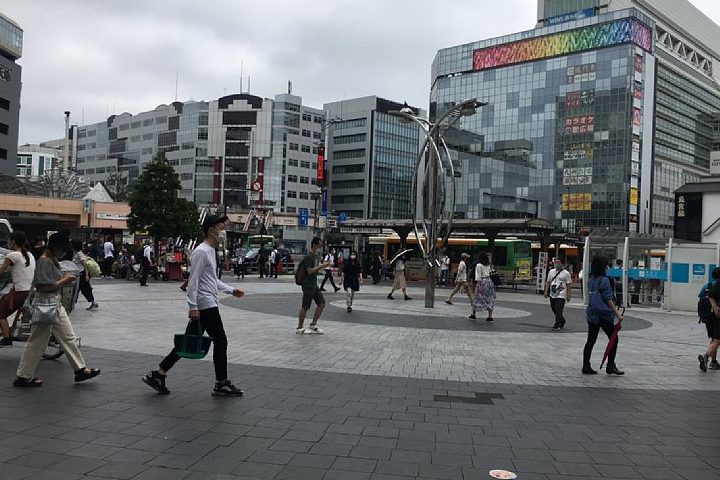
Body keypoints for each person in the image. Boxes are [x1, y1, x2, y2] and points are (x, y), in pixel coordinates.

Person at [142, 215, 245, 396]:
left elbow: (212, 280)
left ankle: (158, 374)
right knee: (220, 341)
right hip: (205, 304)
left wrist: (231, 290)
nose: (224, 232)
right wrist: (193, 306)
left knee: (190, 340)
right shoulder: (201, 252)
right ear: (211, 230)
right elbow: (193, 282)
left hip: (208, 302)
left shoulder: (211, 251)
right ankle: (221, 383)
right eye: (221, 227)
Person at [13, 232, 100, 387]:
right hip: (45, 304)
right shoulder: (45, 261)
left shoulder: (51, 260)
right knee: (38, 341)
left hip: (53, 304)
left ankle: (80, 369)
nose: (64, 252)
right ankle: (23, 375)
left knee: (67, 337)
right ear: (56, 247)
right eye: (62, 248)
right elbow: (42, 286)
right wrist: (63, 280)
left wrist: (62, 279)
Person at [582, 256, 625, 375]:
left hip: (592, 313)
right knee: (614, 339)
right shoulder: (604, 280)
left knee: (591, 340)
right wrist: (618, 314)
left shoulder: (591, 279)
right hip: (604, 315)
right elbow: (608, 298)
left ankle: (586, 365)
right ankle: (610, 365)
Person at [0, 232, 36, 346]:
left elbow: (1, 271)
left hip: (20, 292)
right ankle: (9, 331)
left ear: (13, 242)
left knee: (1, 314)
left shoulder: (12, 255)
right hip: (29, 291)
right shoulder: (30, 255)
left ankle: (6, 338)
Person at [297, 236, 330, 334]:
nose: (320, 247)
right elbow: (309, 271)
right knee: (305, 306)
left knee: (322, 303)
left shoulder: (315, 256)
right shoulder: (309, 256)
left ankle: (313, 324)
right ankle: (300, 327)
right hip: (308, 284)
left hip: (314, 284)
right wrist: (322, 266)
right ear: (314, 245)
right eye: (319, 245)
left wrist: (321, 266)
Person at [698, 267, 720, 372]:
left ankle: (713, 361)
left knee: (714, 338)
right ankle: (707, 358)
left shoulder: (707, 285)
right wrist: (715, 306)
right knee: (716, 340)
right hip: (717, 316)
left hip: (708, 317)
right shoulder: (718, 285)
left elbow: (701, 296)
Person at [544, 257, 572, 330]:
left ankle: (557, 324)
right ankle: (562, 320)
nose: (557, 264)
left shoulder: (566, 273)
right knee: (554, 309)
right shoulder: (551, 271)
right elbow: (548, 281)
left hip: (561, 294)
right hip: (552, 294)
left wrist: (568, 295)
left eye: (558, 262)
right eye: (555, 262)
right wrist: (546, 290)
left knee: (559, 309)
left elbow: (568, 284)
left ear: (562, 263)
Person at [71, 239, 98, 311]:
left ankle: (93, 303)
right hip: (79, 275)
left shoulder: (79, 254)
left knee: (85, 289)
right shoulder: (76, 253)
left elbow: (84, 264)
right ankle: (73, 304)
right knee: (79, 289)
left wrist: (86, 275)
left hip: (82, 274)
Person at [471, 252, 495, 321]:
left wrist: (479, 286)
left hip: (482, 281)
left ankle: (473, 314)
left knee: (477, 297)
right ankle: (490, 315)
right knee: (490, 298)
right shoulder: (488, 265)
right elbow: (490, 273)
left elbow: (478, 276)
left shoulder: (479, 265)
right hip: (489, 281)